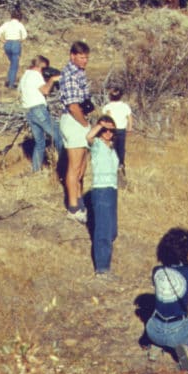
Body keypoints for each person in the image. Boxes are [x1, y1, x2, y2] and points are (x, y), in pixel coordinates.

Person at [145, 228, 188, 372]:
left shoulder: (157, 271)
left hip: (152, 329)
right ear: (187, 250)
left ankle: (156, 346)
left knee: (161, 322)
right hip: (176, 331)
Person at [58, 40, 92, 222]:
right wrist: (85, 124)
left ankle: (79, 201)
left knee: (82, 166)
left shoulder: (80, 73)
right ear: (72, 56)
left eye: (86, 57)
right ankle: (73, 208)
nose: (84, 60)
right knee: (74, 166)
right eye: (81, 57)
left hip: (79, 120)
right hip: (74, 121)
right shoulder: (70, 75)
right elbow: (73, 106)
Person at [86, 115, 119, 277]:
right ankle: (102, 269)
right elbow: (89, 137)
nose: (108, 133)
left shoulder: (112, 148)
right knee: (103, 230)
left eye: (111, 130)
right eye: (104, 130)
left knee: (112, 230)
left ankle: (104, 263)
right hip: (101, 190)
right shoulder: (97, 145)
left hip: (112, 190)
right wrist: (100, 125)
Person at [18, 55, 63, 173]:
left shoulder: (25, 76)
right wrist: (52, 80)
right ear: (41, 65)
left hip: (29, 112)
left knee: (39, 143)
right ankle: (66, 165)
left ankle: (35, 170)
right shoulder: (35, 75)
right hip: (39, 110)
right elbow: (45, 91)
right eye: (45, 68)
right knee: (58, 135)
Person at [101, 83, 132, 174]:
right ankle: (120, 163)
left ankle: (116, 164)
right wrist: (129, 127)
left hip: (112, 130)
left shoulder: (108, 107)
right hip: (119, 130)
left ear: (110, 96)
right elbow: (129, 117)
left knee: (113, 147)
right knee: (120, 147)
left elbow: (105, 118)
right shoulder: (125, 106)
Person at [0, 8, 28, 89]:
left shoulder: (6, 24)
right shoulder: (20, 25)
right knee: (14, 65)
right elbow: (25, 36)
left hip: (7, 43)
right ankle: (11, 84)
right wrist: (19, 41)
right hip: (15, 44)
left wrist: (3, 41)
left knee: (12, 63)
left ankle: (9, 80)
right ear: (20, 17)